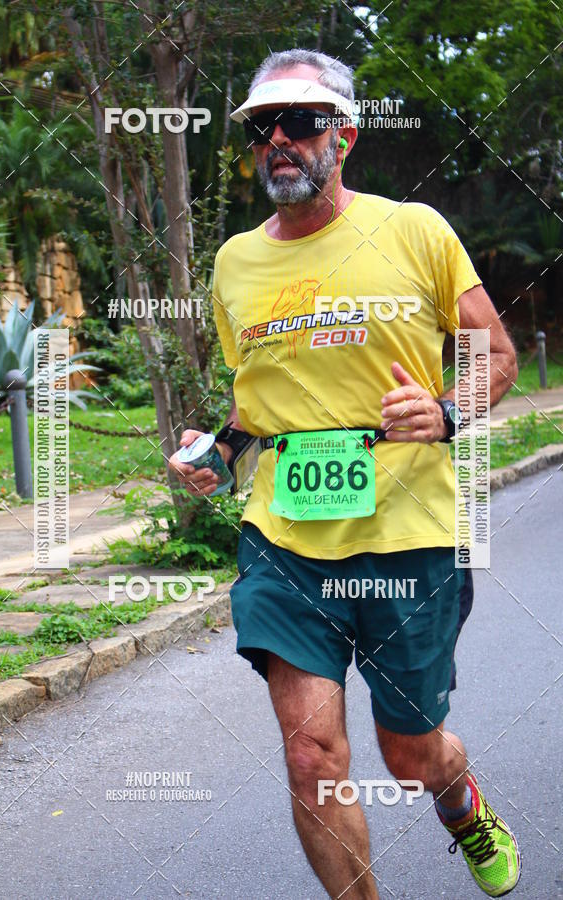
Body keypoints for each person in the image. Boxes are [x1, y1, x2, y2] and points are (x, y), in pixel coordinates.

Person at [170, 48, 520, 899]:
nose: (280, 140)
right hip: (284, 543)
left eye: (302, 121)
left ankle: (461, 804)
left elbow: (495, 355)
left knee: (409, 755)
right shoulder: (234, 264)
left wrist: (446, 412)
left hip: (410, 540)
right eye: (263, 127)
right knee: (309, 754)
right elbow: (258, 404)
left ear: (346, 136)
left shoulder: (415, 230)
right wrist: (217, 451)